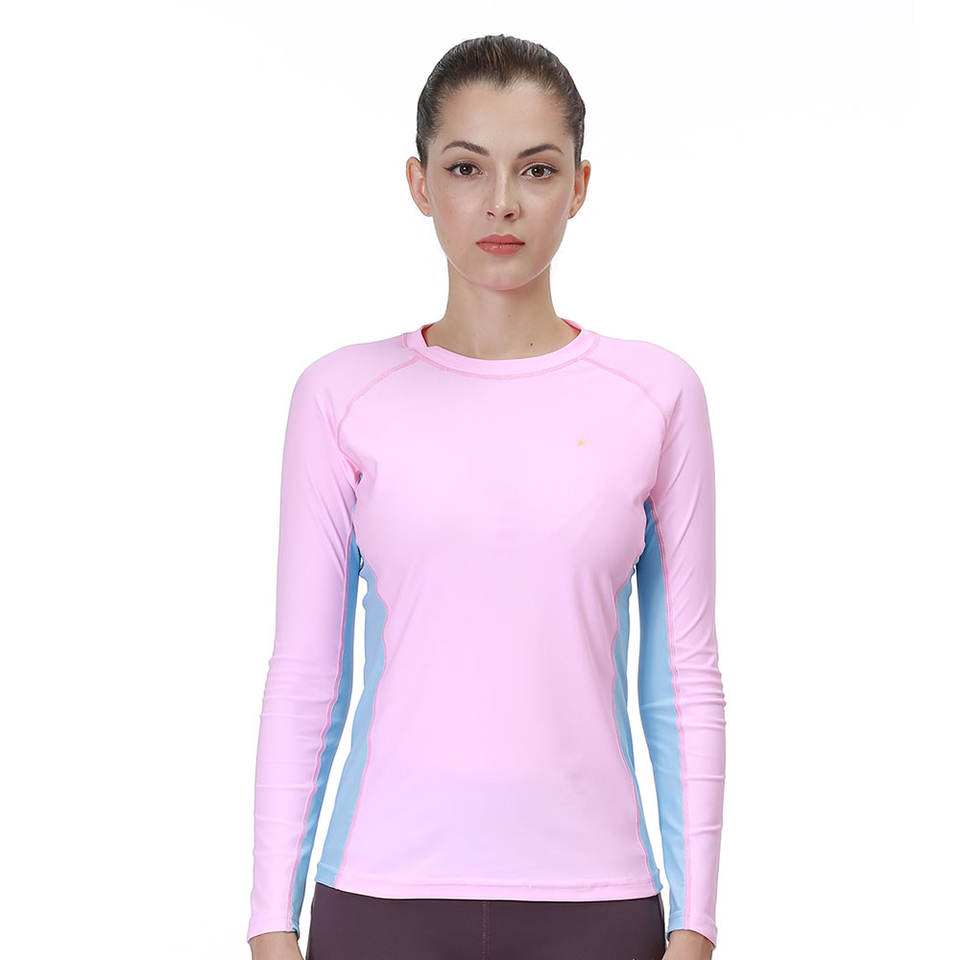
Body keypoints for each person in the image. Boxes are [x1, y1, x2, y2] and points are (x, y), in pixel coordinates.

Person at [246, 33, 726, 960]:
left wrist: (695, 923)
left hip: (597, 902)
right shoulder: (342, 396)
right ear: (421, 183)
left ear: (579, 186)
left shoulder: (655, 395)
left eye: (536, 169)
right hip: (379, 897)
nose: (502, 202)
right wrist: (271, 921)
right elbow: (307, 676)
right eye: (467, 167)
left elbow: (682, 678)